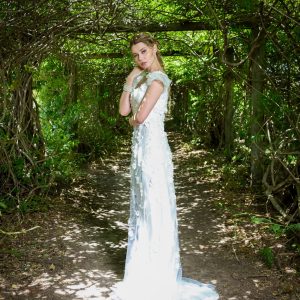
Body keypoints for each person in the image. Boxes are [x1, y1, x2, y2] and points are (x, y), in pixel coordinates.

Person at [110, 33, 219, 300]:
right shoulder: (140, 78)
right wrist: (128, 81)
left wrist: (133, 119)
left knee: (155, 204)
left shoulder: (158, 80)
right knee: (142, 203)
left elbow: (140, 117)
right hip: (140, 150)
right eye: (135, 55)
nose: (140, 58)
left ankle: (158, 273)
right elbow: (125, 112)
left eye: (144, 52)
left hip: (153, 149)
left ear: (155, 49)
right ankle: (143, 268)